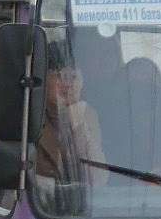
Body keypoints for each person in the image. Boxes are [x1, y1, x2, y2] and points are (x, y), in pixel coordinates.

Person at [33, 56, 107, 189]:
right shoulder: (31, 113)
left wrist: (79, 127)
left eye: (74, 77)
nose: (68, 84)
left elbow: (97, 179)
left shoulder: (88, 114)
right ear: (45, 79)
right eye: (59, 76)